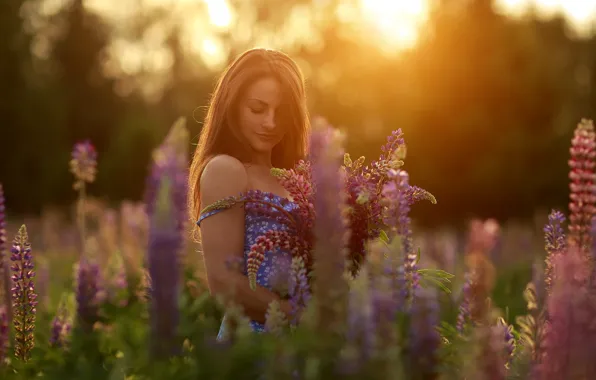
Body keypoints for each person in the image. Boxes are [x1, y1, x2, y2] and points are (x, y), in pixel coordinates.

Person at [188, 48, 310, 339]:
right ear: (232, 106)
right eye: (257, 109)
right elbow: (223, 283)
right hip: (250, 347)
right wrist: (300, 317)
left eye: (281, 112)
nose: (270, 122)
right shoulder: (226, 170)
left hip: (303, 352)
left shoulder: (299, 179)